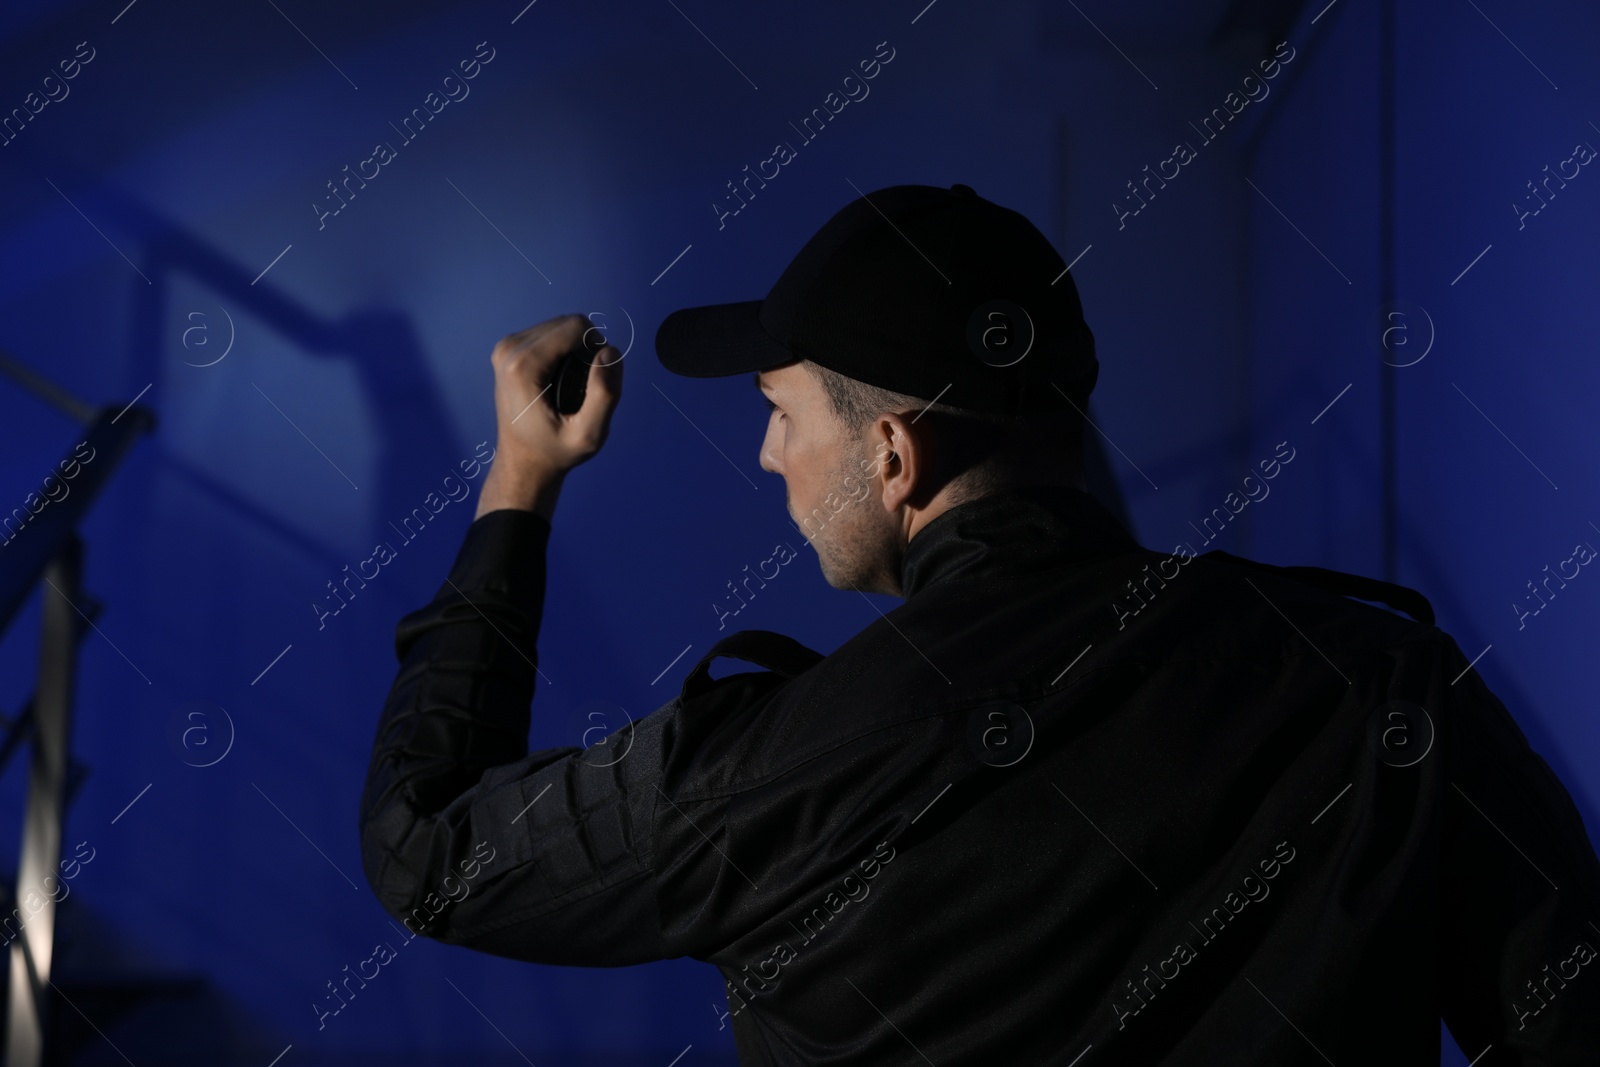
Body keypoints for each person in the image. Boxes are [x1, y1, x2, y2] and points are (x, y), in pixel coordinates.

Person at [359, 183, 1600, 1065]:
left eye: (783, 413)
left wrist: (518, 482)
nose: (768, 453)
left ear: (890, 453)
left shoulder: (763, 771)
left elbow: (424, 846)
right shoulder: (1383, 676)